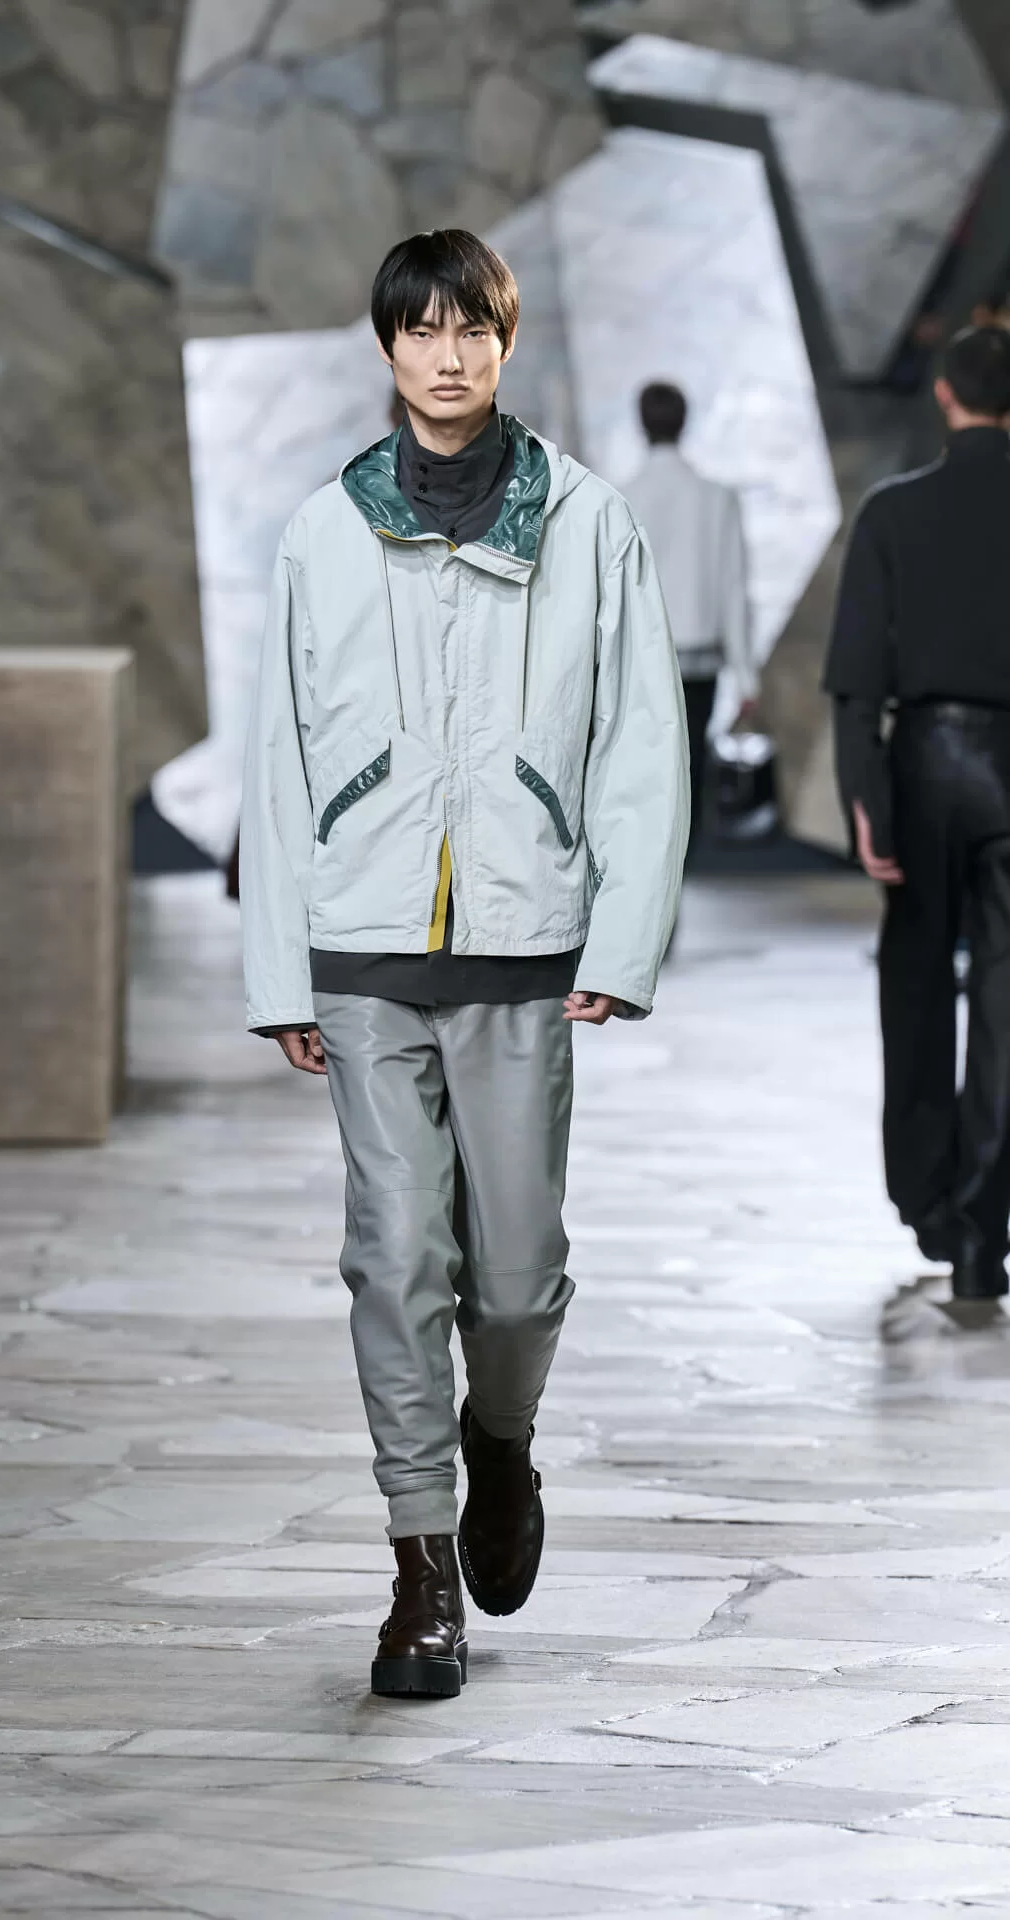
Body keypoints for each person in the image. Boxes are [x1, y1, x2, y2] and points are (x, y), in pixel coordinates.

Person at [239, 230, 689, 1697]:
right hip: (364, 948)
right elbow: (277, 753)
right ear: (387, 349)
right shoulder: (325, 531)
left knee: (515, 1281)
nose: (448, 357)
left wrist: (622, 935)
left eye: (472, 331)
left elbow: (640, 738)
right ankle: (420, 1566)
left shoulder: (590, 522)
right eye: (422, 332)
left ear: (505, 342)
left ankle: (502, 1443)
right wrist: (281, 972)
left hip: (522, 947)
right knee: (395, 1259)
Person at [824, 324, 1010, 1302]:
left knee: (919, 985)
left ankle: (928, 1199)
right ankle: (984, 1229)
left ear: (944, 395)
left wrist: (865, 794)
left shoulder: (893, 513)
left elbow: (858, 674)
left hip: (927, 763)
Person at [622, 382, 758, 855]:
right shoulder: (716, 498)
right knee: (691, 762)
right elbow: (734, 588)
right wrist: (747, 678)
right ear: (684, 423)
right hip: (699, 658)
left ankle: (648, 865)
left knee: (643, 766)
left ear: (641, 424)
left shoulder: (621, 497)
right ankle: (683, 863)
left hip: (640, 655)